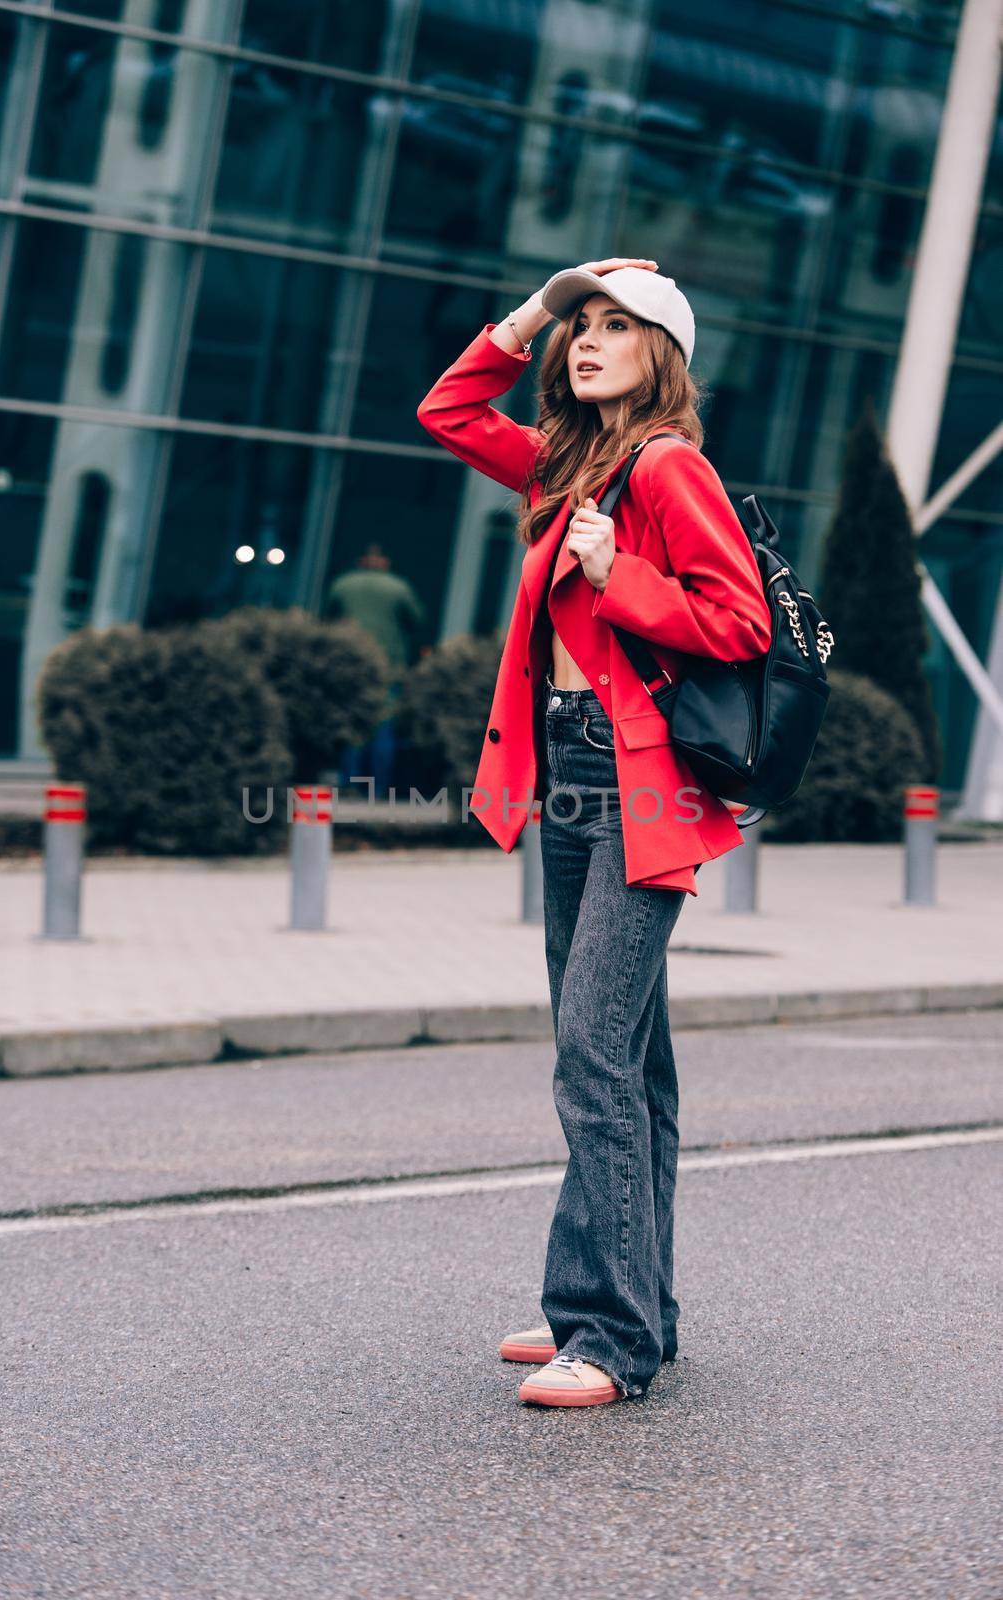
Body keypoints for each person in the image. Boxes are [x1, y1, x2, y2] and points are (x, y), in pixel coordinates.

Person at [416, 258, 772, 1409]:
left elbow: (738, 620)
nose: (588, 340)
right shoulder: (572, 464)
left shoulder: (669, 466)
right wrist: (538, 302)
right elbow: (450, 411)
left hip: (641, 781)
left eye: (615, 326)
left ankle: (611, 1338)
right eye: (583, 326)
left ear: (659, 352)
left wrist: (619, 577)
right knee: (626, 1054)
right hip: (574, 764)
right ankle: (617, 1304)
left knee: (592, 1049)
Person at [322, 542, 426, 797]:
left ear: (362, 560)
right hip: (388, 665)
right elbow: (417, 620)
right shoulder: (398, 588)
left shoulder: (343, 584)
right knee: (384, 726)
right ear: (384, 562)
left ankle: (348, 783)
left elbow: (327, 618)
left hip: (351, 663)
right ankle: (378, 787)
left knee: (352, 723)